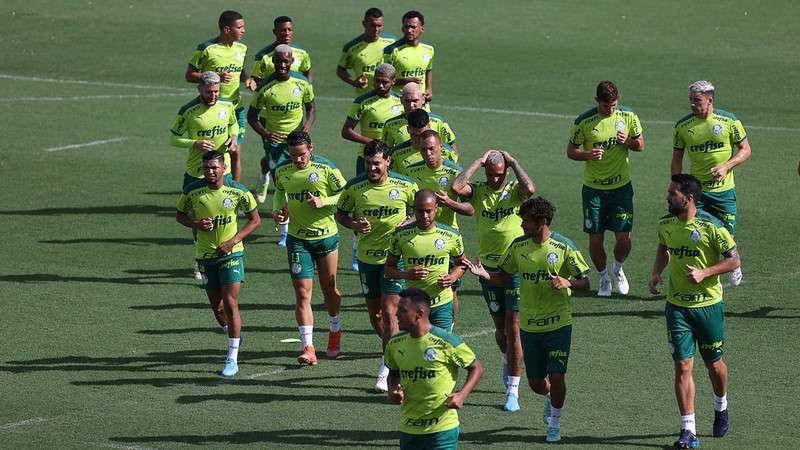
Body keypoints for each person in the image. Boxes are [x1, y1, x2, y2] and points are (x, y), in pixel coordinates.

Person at [465, 196, 590, 443]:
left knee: (557, 375)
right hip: (530, 326)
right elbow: (504, 276)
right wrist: (485, 274)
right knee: (535, 383)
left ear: (542, 221)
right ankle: (550, 396)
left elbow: (586, 282)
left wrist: (569, 282)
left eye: (526, 221)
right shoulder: (518, 246)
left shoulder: (564, 247)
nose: (522, 225)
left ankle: (554, 423)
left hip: (558, 324)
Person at [648, 174, 739, 449]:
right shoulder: (665, 224)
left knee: (714, 365)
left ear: (688, 198)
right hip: (677, 307)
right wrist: (655, 273)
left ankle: (721, 405)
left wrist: (705, 272)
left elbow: (734, 260)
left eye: (672, 193)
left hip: (708, 306)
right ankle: (689, 430)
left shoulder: (712, 226)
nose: (667, 197)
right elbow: (664, 247)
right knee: (683, 365)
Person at [451, 149, 536, 412]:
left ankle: (513, 391)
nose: (495, 180)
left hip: (515, 269)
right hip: (487, 268)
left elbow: (531, 189)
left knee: (513, 329)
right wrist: (478, 162)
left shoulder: (514, 191)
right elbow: (457, 186)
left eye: (499, 175)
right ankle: (507, 358)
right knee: (501, 331)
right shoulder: (478, 190)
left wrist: (514, 161)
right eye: (491, 175)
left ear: (506, 172)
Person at [336, 140, 418, 392]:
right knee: (376, 316)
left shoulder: (405, 185)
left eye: (376, 163)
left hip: (395, 259)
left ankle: (388, 370)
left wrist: (409, 221)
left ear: (388, 162)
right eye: (369, 163)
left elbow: (422, 210)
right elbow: (340, 214)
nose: (371, 167)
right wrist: (354, 225)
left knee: (389, 310)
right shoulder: (354, 187)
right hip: (367, 259)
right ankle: (398, 348)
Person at [175, 152, 261, 377]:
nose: (210, 172)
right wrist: (196, 223)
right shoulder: (192, 190)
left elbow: (255, 220)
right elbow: (179, 215)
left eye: (214, 167)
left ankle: (232, 358)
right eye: (206, 168)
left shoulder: (238, 191)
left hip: (232, 255)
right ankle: (234, 335)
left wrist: (233, 241)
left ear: (224, 167)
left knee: (231, 304)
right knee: (218, 308)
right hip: (205, 256)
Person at [272, 131, 346, 366]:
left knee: (329, 289)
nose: (298, 160)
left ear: (310, 149)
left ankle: (335, 329)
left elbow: (345, 194)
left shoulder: (326, 169)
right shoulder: (282, 170)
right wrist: (278, 210)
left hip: (326, 238)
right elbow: (279, 191)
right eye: (293, 155)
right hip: (297, 239)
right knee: (303, 292)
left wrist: (323, 201)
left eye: (302, 155)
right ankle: (308, 347)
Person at [566, 80, 645, 297]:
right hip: (593, 190)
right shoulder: (584, 122)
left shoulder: (628, 116)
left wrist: (628, 141)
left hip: (621, 188)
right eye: (605, 106)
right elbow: (571, 151)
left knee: (624, 238)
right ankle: (603, 277)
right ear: (597, 101)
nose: (610, 110)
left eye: (613, 105)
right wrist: (587, 155)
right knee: (596, 238)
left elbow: (641, 145)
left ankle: (618, 269)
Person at [671, 80, 750, 287]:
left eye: (697, 101)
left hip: (724, 192)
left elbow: (745, 150)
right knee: (699, 233)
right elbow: (677, 156)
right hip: (698, 193)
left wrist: (727, 166)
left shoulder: (729, 121)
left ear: (710, 100)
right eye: (690, 100)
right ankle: (702, 273)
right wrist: (677, 185)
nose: (692, 105)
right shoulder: (683, 126)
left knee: (726, 235)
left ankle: (734, 262)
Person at [385, 288, 484, 450]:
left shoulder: (446, 341)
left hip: (442, 429)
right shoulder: (395, 343)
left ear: (419, 314)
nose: (397, 315)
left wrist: (461, 395)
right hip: (409, 428)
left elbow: (476, 368)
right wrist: (393, 389)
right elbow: (393, 372)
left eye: (402, 311)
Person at [170, 72, 240, 279]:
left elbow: (233, 125)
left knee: (225, 216)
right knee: (198, 219)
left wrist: (234, 138)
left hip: (222, 172)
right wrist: (194, 143)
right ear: (199, 88)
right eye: (209, 91)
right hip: (196, 173)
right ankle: (200, 258)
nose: (213, 95)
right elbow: (173, 138)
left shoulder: (227, 106)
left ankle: (226, 256)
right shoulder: (188, 111)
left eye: (217, 91)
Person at [247, 44, 315, 247]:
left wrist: (305, 130)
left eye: (286, 61)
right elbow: (252, 117)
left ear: (292, 61)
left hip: (298, 142)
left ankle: (302, 222)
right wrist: (267, 134)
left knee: (302, 181)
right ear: (273, 62)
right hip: (276, 145)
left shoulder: (302, 83)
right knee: (283, 185)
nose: (282, 65)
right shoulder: (265, 88)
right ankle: (286, 231)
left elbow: (311, 109)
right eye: (278, 61)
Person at [405, 130, 473, 328]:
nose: (428, 154)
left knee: (450, 289)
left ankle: (448, 329)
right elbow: (408, 206)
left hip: (448, 239)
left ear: (441, 148)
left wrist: (450, 202)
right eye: (424, 150)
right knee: (418, 285)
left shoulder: (454, 172)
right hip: (418, 236)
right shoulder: (411, 172)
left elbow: (470, 209)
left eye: (432, 149)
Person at [185, 10, 256, 182]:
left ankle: (236, 195)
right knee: (216, 154)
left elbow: (240, 71)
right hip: (215, 108)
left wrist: (248, 79)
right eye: (239, 27)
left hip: (236, 108)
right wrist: (214, 76)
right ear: (226, 29)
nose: (243, 31)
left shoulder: (242, 48)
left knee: (235, 151)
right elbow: (189, 75)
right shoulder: (206, 49)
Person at [385, 190, 468, 332]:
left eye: (428, 211)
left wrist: (452, 277)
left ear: (436, 208)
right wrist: (407, 274)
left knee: (440, 349)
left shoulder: (451, 235)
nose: (424, 216)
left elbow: (462, 263)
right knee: (415, 349)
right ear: (413, 210)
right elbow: (388, 269)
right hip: (414, 307)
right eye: (420, 211)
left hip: (442, 305)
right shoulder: (400, 235)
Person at [341, 63, 403, 176]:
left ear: (393, 81)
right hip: (368, 157)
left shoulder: (401, 101)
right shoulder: (362, 101)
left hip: (394, 157)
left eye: (385, 82)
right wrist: (373, 143)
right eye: (377, 81)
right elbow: (346, 132)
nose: (380, 85)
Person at [337, 8, 396, 96]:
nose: (376, 29)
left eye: (379, 26)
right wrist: (353, 82)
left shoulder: (392, 42)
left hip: (389, 97)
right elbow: (340, 70)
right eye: (372, 25)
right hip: (365, 97)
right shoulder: (351, 48)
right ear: (364, 24)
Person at [382, 11, 434, 109]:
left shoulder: (429, 50)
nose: (409, 30)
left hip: (421, 104)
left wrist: (429, 89)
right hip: (398, 104)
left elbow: (428, 70)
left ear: (422, 28)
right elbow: (382, 81)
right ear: (402, 28)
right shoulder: (391, 50)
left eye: (413, 27)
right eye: (406, 27)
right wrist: (406, 80)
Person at [383, 82, 457, 150]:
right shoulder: (390, 125)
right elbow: (386, 153)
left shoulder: (438, 122)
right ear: (401, 100)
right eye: (407, 101)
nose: (411, 105)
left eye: (415, 101)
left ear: (423, 99)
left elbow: (453, 149)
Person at [388, 109, 458, 176]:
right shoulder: (396, 154)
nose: (419, 140)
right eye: (415, 135)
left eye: (423, 134)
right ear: (408, 129)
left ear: (429, 126)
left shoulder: (447, 151)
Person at [251, 16, 313, 83]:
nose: (287, 33)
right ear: (274, 32)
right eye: (283, 30)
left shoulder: (301, 53)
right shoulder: (262, 56)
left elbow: (307, 72)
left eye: (290, 30)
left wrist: (308, 85)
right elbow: (256, 79)